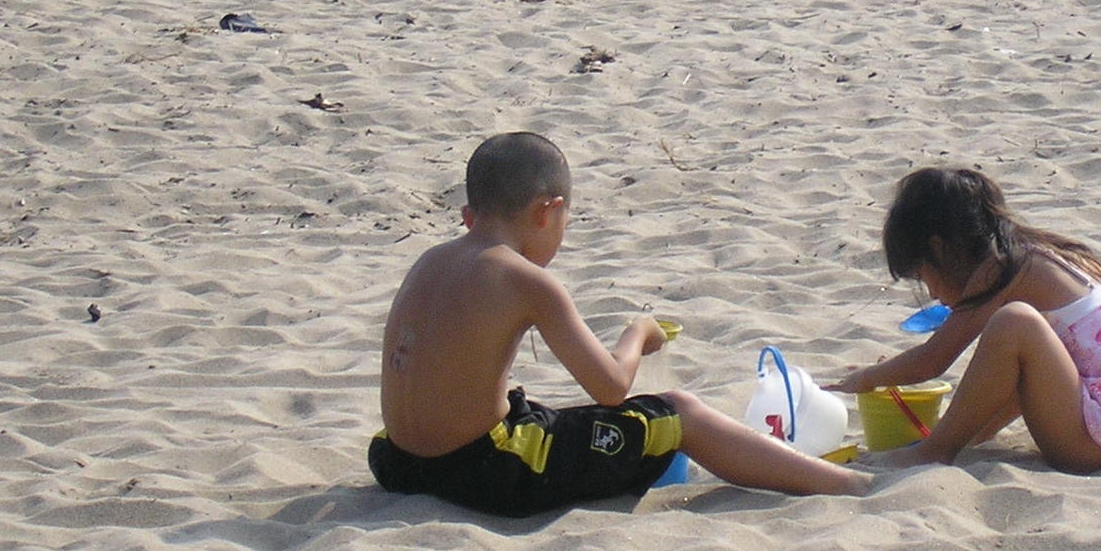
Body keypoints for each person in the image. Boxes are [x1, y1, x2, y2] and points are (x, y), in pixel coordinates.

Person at [371, 131, 866, 514]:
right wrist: (639, 333)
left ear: (467, 216)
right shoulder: (527, 281)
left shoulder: (429, 261)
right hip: (488, 473)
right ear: (549, 212)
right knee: (680, 413)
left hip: (399, 463)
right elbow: (610, 389)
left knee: (535, 412)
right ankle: (848, 484)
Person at [829, 168, 1101, 471]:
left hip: (1091, 442)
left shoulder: (1001, 270)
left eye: (926, 278)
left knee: (1014, 324)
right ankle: (973, 433)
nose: (935, 296)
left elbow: (932, 360)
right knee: (1042, 338)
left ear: (940, 248)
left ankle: (935, 449)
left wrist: (867, 378)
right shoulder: (1053, 256)